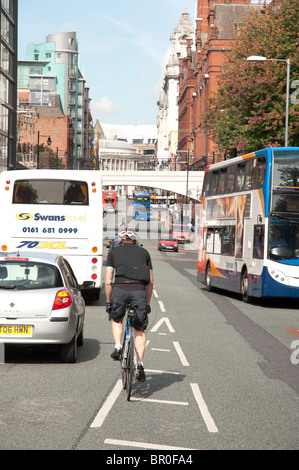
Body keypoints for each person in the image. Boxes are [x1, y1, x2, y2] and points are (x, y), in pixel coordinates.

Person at [105, 226, 153, 383]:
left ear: (120, 239)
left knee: (117, 318)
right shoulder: (144, 253)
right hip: (139, 291)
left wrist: (108, 302)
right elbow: (151, 282)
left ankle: (118, 346)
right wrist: (146, 304)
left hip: (120, 289)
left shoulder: (113, 253)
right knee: (139, 329)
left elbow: (107, 281)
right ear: (135, 239)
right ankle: (140, 364)